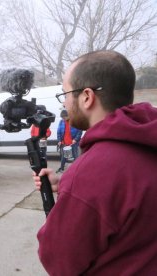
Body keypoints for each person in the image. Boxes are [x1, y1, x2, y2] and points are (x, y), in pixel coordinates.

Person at [33, 50, 157, 275]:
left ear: (87, 97)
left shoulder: (92, 172)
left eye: (66, 94)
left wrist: (73, 192)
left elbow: (58, 261)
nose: (65, 104)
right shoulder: (147, 142)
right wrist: (66, 187)